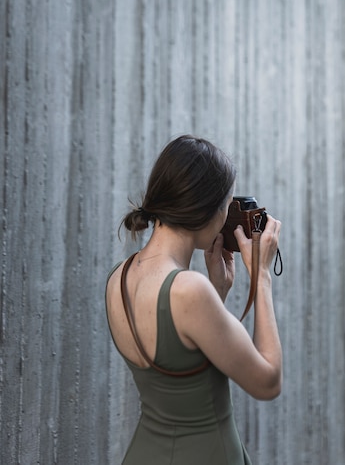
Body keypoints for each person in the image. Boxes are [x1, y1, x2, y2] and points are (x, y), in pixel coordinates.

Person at [105, 134, 282, 465]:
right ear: (207, 209)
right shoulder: (189, 291)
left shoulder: (118, 277)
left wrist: (218, 292)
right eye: (226, 207)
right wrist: (262, 276)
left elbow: (178, 359)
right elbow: (268, 383)